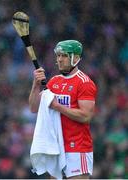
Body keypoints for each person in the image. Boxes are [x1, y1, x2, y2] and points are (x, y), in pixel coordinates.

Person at [29, 40, 97, 179]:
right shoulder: (54, 81)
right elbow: (34, 108)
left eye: (64, 56)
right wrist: (35, 85)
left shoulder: (84, 83)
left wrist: (57, 106)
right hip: (56, 147)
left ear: (76, 58)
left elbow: (85, 116)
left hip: (78, 148)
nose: (59, 59)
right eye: (58, 55)